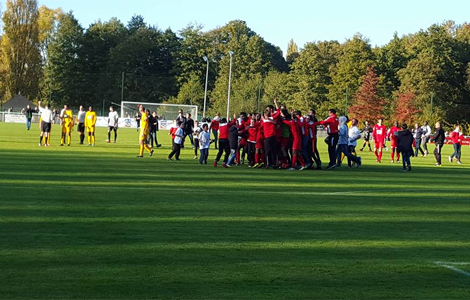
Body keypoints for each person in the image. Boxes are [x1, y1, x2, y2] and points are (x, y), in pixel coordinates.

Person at [261, 99, 281, 168]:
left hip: (267, 137)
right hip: (273, 136)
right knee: (273, 151)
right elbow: (278, 112)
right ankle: (275, 164)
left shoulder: (264, 120)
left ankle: (267, 164)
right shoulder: (272, 118)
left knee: (267, 151)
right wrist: (276, 103)